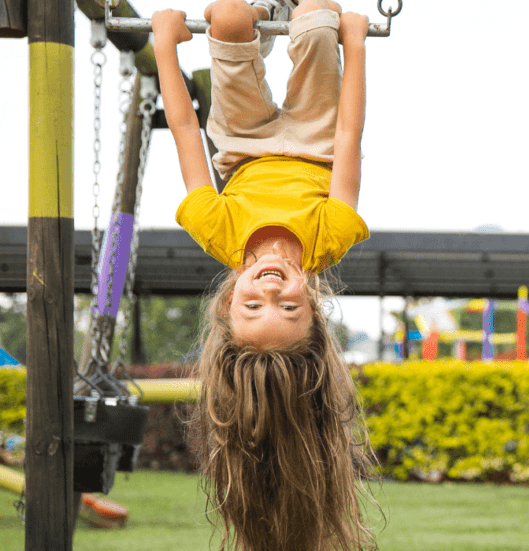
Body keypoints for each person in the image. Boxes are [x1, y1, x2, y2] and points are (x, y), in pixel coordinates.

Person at [152, 1, 377, 549]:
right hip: (317, 142)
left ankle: (260, 19)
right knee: (322, 21)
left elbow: (184, 129)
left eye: (254, 306)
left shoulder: (217, 230)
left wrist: (164, 45)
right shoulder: (331, 235)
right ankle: (293, 16)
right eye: (290, 307)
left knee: (227, 18)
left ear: (229, 302)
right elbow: (349, 135)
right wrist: (357, 46)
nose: (272, 290)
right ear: (315, 305)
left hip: (243, 143)